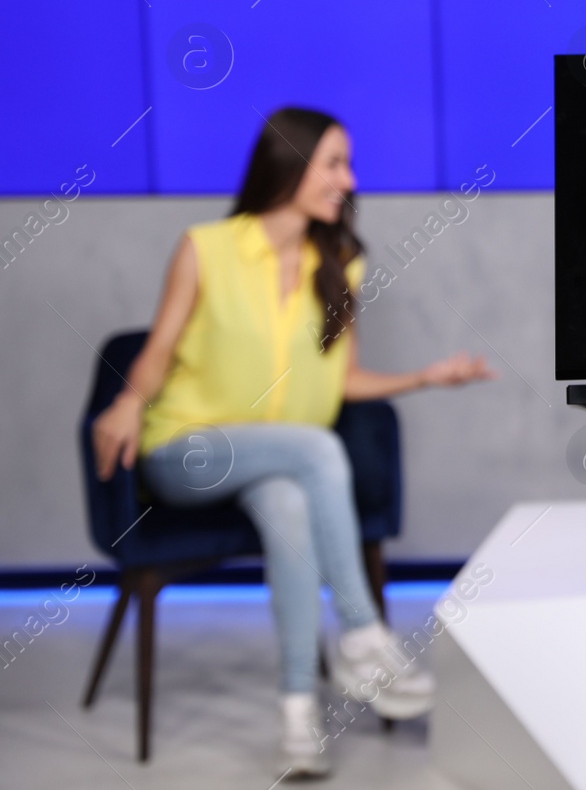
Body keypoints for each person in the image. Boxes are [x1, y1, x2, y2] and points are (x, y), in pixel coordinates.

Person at [91, 107, 496, 777]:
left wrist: (427, 377)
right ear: (289, 163)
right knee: (314, 449)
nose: (349, 179)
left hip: (273, 461)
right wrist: (129, 401)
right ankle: (363, 637)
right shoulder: (207, 247)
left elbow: (342, 379)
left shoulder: (337, 263)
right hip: (185, 452)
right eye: (335, 162)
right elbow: (158, 349)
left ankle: (296, 719)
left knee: (287, 499)